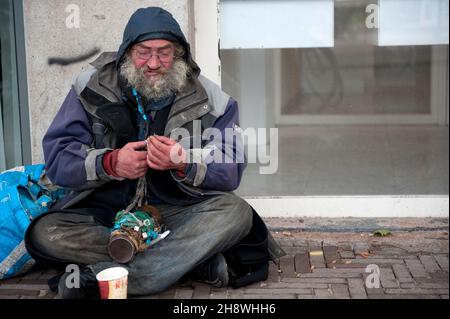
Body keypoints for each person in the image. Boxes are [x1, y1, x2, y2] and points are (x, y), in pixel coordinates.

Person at [25, 7, 284, 298]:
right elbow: (59, 159)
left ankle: (111, 278)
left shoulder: (213, 100)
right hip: (106, 214)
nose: (153, 63)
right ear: (126, 53)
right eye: (143, 52)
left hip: (176, 211)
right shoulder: (90, 88)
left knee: (235, 213)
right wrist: (111, 163)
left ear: (179, 55)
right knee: (45, 234)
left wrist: (183, 162)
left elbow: (231, 165)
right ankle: (188, 260)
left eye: (164, 52)